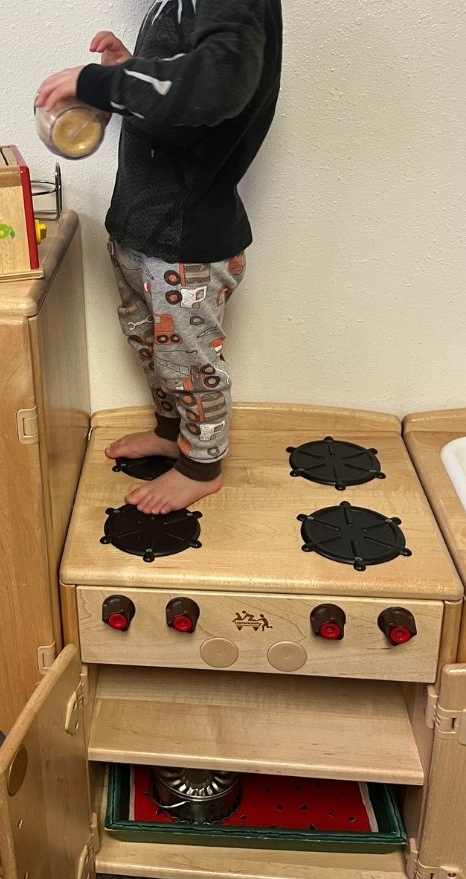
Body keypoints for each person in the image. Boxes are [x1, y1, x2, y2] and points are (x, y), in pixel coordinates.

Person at [36, 0, 282, 515]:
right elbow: (179, 93)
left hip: (187, 241)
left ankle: (202, 466)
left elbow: (217, 83)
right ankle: (174, 435)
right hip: (144, 227)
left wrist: (99, 84)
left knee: (189, 362)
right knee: (153, 346)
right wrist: (128, 71)